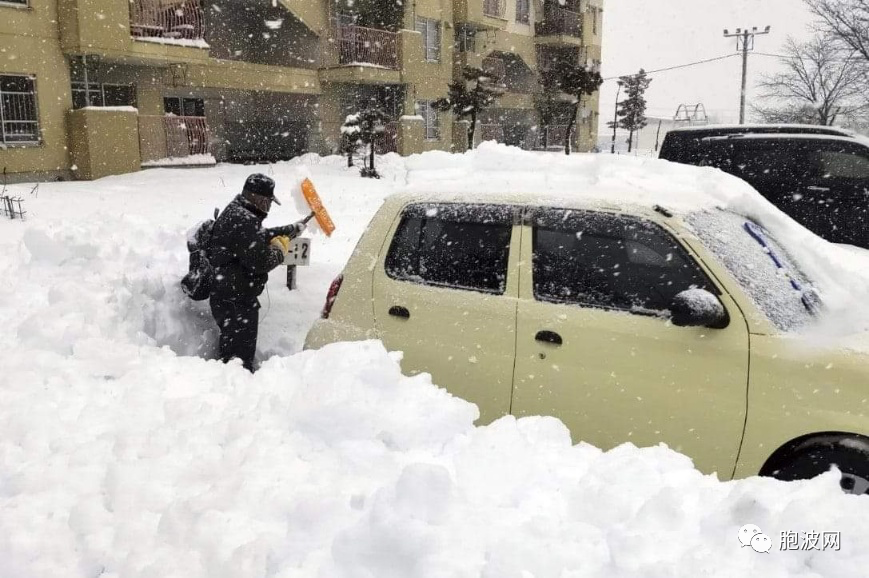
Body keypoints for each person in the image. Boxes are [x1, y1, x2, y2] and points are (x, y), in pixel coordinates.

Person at [208, 173, 306, 372]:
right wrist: (280, 250)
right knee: (238, 359)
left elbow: (259, 236)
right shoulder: (244, 220)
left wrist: (290, 229)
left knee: (232, 352)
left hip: (229, 295)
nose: (269, 207)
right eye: (269, 202)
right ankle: (238, 390)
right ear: (258, 198)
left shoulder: (239, 213)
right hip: (236, 301)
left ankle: (232, 381)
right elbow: (261, 262)